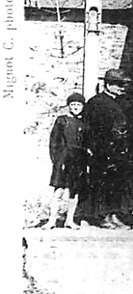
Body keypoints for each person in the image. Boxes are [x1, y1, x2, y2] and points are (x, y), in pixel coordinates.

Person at [80, 68, 133, 228]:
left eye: (123, 85)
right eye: (118, 85)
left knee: (117, 184)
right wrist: (93, 148)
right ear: (108, 84)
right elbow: (88, 129)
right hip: (102, 151)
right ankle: (101, 216)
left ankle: (114, 215)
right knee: (101, 184)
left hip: (120, 151)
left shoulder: (123, 102)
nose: (121, 88)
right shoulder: (96, 102)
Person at [45, 92, 87, 229]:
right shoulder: (62, 121)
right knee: (59, 191)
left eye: (78, 105)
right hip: (63, 160)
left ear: (82, 106)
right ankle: (52, 220)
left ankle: (69, 220)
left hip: (77, 161)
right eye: (73, 104)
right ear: (68, 106)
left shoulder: (83, 123)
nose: (76, 107)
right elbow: (54, 142)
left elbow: (86, 144)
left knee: (73, 192)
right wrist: (57, 160)